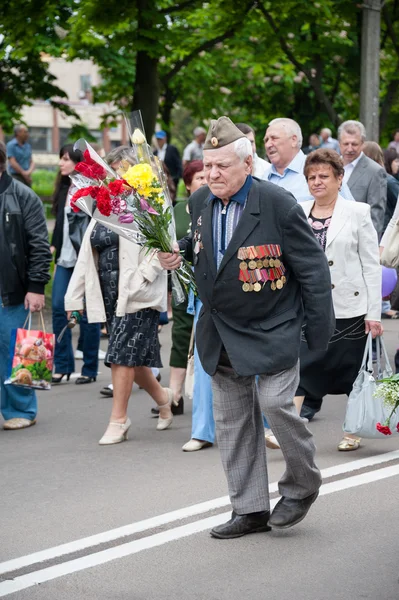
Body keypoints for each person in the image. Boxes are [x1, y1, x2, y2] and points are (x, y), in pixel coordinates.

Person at [158, 116, 334, 538]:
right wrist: (175, 252)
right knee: (233, 421)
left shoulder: (276, 203)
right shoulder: (199, 203)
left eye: (221, 166)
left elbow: (312, 271)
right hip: (221, 329)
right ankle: (250, 509)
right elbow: (202, 247)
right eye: (208, 166)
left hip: (273, 325)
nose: (212, 174)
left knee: (275, 404)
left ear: (247, 163)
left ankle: (303, 483)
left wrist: (317, 336)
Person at [295, 148, 382, 451]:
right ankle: (288, 431)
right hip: (309, 307)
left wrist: (374, 313)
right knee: (301, 368)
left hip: (350, 307)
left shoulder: (357, 212)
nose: (316, 182)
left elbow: (371, 265)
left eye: (323, 176)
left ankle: (353, 429)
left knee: (351, 372)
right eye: (311, 177)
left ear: (339, 178)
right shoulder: (299, 211)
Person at [64, 213, 176, 444]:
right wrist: (74, 300)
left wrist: (143, 277)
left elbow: (165, 244)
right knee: (130, 359)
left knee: (120, 356)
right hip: (108, 297)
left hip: (139, 296)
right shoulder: (101, 209)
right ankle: (163, 397)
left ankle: (119, 420)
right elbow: (85, 258)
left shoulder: (148, 201)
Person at [0, 141, 51, 430]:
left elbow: (39, 246)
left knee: (15, 352)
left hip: (13, 291)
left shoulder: (23, 197)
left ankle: (20, 409)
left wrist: (36, 286)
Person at [51, 144, 101, 385]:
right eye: (60, 158)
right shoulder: (64, 189)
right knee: (59, 308)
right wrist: (53, 246)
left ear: (78, 163)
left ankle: (90, 368)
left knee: (89, 312)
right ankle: (62, 365)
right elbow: (60, 224)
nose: (61, 163)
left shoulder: (90, 189)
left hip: (87, 259)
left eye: (65, 159)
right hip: (64, 258)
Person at [263, 117, 354, 203]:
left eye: (274, 138)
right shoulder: (262, 177)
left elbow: (350, 211)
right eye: (266, 140)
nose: (268, 145)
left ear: (294, 140)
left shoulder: (323, 169)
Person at [338, 119, 387, 235]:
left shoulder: (375, 171)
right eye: (346, 144)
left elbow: (376, 215)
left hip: (357, 239)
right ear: (339, 143)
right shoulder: (331, 167)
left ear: (363, 144)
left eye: (354, 144)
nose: (350, 149)